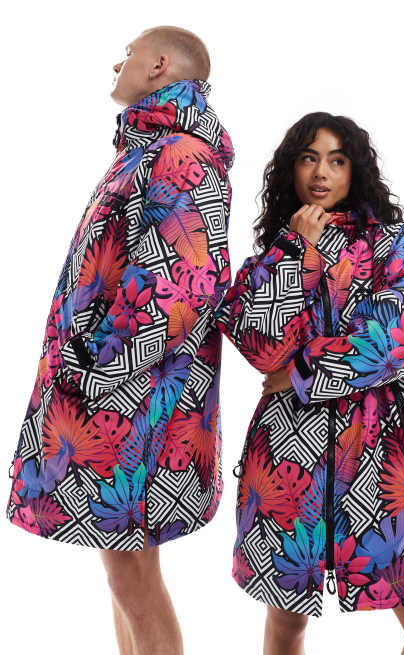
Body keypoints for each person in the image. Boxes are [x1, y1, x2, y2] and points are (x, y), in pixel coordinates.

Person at [6, 26, 233, 655]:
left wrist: (97, 368)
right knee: (125, 573)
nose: (117, 64)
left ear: (159, 64)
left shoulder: (179, 155)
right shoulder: (149, 149)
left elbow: (182, 284)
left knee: (130, 576)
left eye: (128, 54)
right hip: (122, 394)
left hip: (134, 401)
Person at [215, 113, 404, 655]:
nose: (321, 173)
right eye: (309, 158)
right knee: (287, 628)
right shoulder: (268, 259)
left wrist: (304, 373)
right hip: (288, 464)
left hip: (388, 462)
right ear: (291, 169)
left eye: (336, 159)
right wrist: (294, 254)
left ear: (356, 170)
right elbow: (260, 349)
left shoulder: (392, 247)